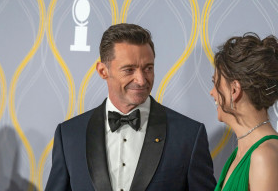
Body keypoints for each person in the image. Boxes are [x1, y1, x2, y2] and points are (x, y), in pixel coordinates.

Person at [45, 23, 216, 191]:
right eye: (129, 70)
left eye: (148, 68)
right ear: (103, 71)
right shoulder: (69, 135)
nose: (141, 80)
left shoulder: (189, 135)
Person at [211, 33, 278, 191]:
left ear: (234, 90)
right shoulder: (239, 153)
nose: (212, 92)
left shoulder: (264, 156)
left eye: (215, 83)